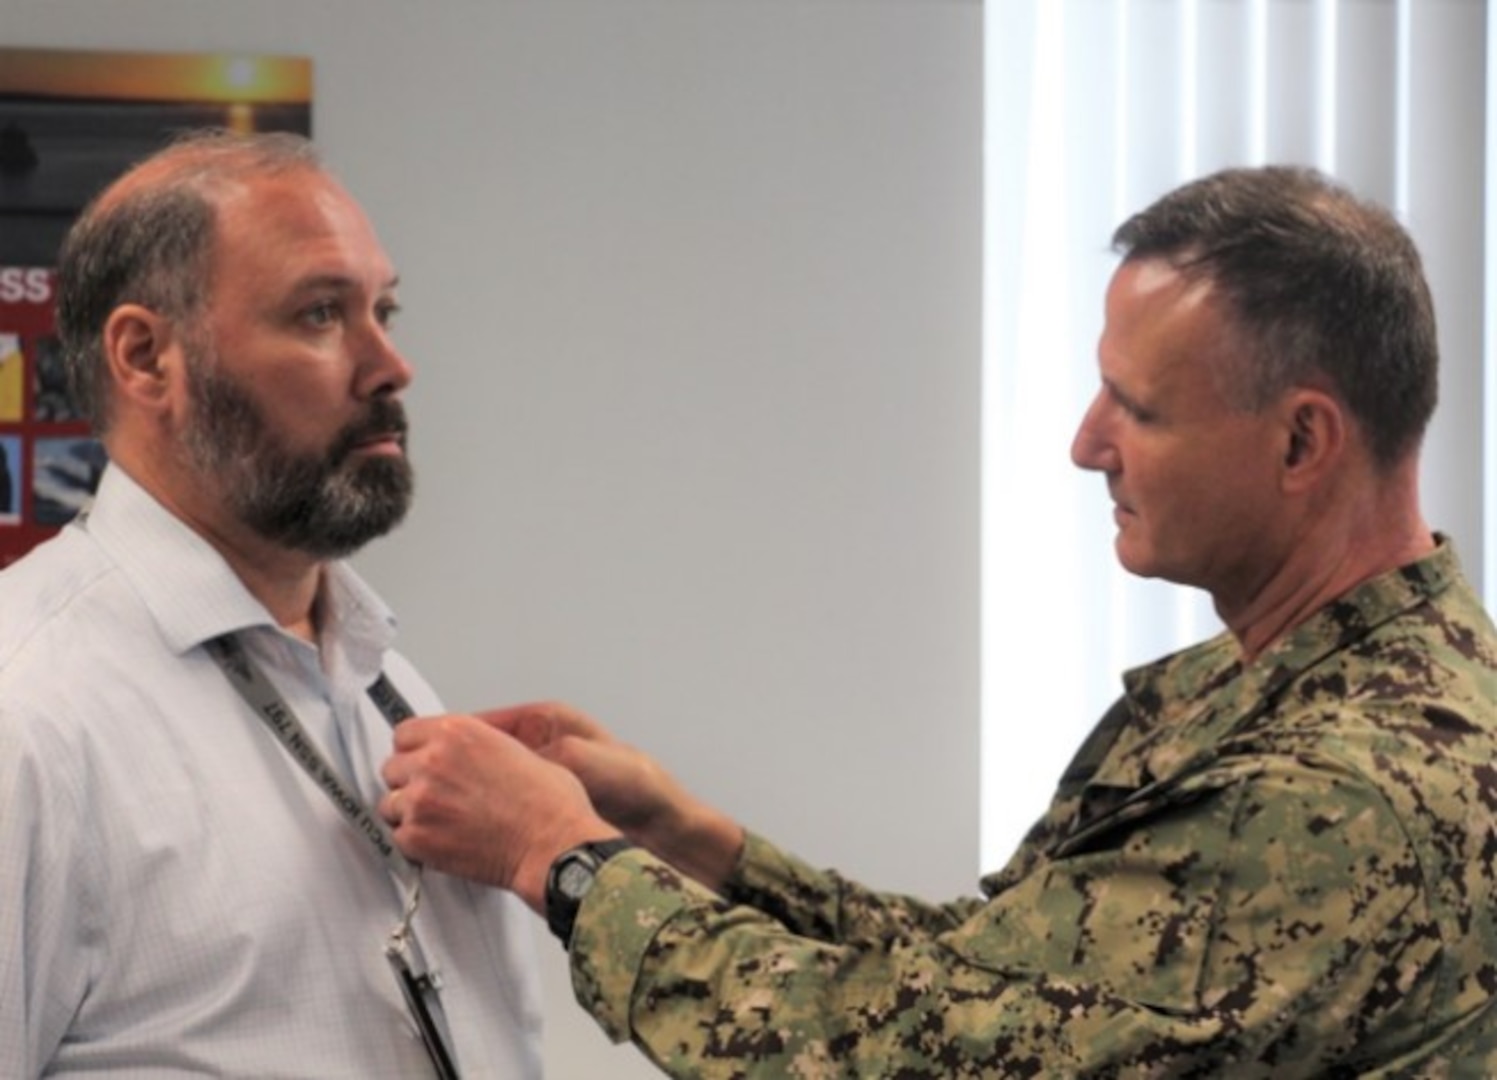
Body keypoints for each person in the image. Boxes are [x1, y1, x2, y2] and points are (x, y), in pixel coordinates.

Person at [378, 165, 1497, 1077]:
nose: (1086, 442)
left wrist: (559, 860)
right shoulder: (1312, 683)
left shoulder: (1328, 796)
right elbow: (997, 986)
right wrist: (690, 842)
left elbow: (927, 1060)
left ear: (1303, 443)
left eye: (1140, 409)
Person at [0, 130, 543, 1077]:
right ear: (147, 358)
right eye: (321, 314)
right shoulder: (29, 709)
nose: (390, 366)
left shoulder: (387, 685)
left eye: (385, 309)